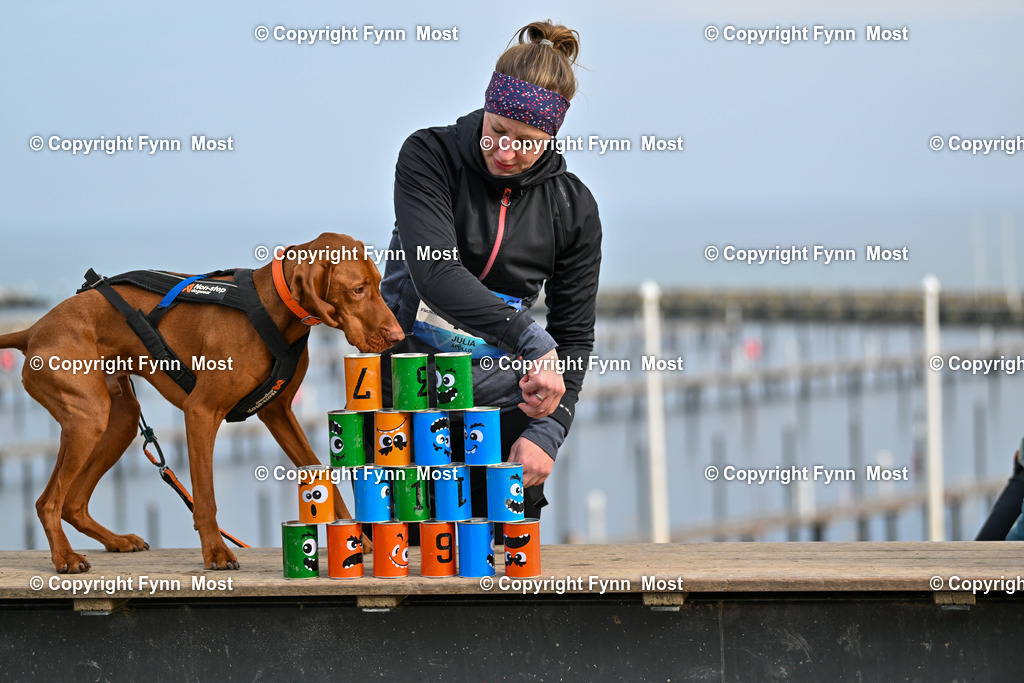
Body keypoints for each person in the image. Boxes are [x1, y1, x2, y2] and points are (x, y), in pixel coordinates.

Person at [378, 20, 602, 526]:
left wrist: (549, 431)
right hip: (407, 408)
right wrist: (531, 339)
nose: (505, 151)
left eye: (527, 142)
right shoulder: (430, 156)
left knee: (501, 568)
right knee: (399, 565)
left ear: (552, 135)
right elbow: (436, 274)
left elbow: (573, 335)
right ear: (486, 105)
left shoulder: (573, 207)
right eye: (497, 130)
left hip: (503, 419)